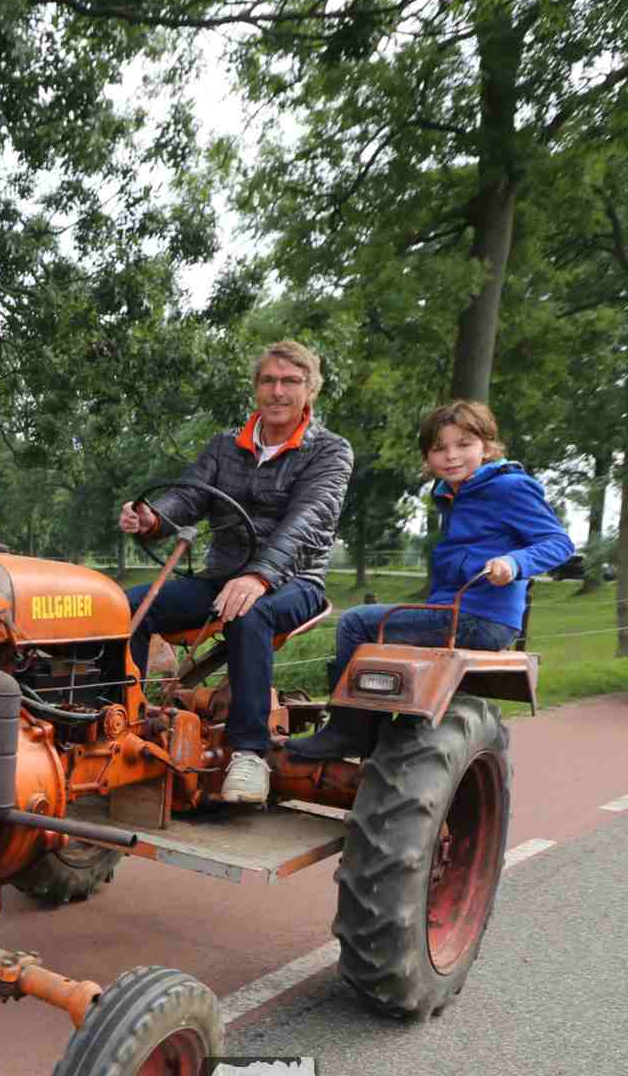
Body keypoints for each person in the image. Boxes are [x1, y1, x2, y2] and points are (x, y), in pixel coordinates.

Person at [119, 340, 354, 804]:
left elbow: (307, 521)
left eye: (290, 381)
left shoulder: (330, 451)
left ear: (310, 390)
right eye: (268, 380)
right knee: (127, 607)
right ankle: (122, 722)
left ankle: (249, 753)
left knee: (251, 614)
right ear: (256, 388)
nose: (278, 391)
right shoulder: (225, 446)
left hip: (294, 580)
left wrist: (259, 576)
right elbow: (190, 495)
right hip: (222, 575)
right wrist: (152, 518)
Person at [289, 399, 573, 763]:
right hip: (454, 612)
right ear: (427, 457)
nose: (451, 456)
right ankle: (376, 730)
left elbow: (559, 543)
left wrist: (514, 562)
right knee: (383, 643)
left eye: (464, 444)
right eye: (439, 448)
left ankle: (349, 730)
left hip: (482, 618)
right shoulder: (454, 494)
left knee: (356, 623)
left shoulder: (510, 488)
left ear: (486, 447)